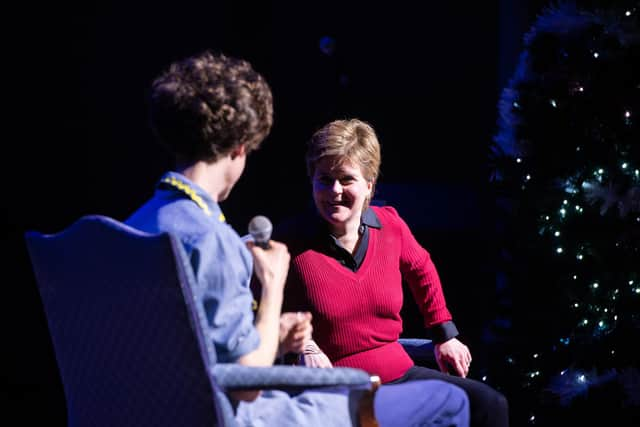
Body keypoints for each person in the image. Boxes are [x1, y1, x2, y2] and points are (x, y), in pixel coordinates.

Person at [125, 50, 470, 426]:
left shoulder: (129, 229)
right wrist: (273, 286)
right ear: (240, 148)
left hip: (142, 413)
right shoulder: (215, 241)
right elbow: (246, 383)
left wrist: (282, 330)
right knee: (450, 400)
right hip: (237, 415)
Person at [277, 118, 509, 427]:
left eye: (346, 179)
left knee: (489, 404)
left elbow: (422, 269)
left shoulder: (390, 225)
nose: (334, 191)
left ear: (369, 184)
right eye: (324, 179)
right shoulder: (290, 243)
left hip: (399, 373)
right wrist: (303, 346)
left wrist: (444, 335)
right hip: (337, 387)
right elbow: (259, 308)